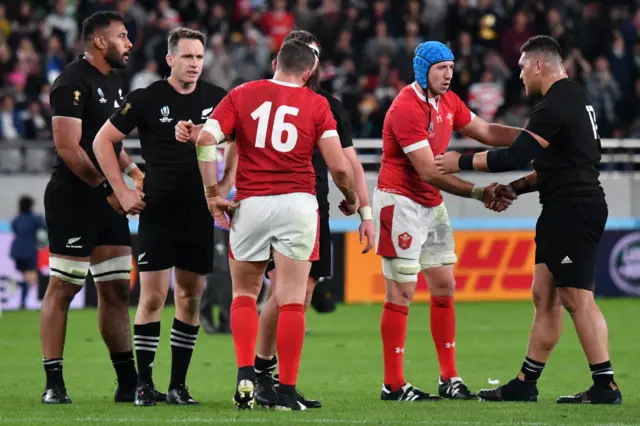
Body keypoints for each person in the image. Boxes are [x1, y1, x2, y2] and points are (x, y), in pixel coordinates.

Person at [436, 35, 622, 405]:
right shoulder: (574, 98)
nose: (519, 75)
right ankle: (525, 382)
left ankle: (606, 386)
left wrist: (462, 161)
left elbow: (516, 155)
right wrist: (516, 189)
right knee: (545, 295)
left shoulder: (555, 103)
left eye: (522, 67)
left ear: (539, 65)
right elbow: (558, 166)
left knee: (576, 298)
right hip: (563, 206)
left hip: (573, 209)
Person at [194, 39, 358, 411]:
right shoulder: (317, 104)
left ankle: (245, 377)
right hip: (299, 204)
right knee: (291, 300)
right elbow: (339, 165)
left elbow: (205, 140)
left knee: (245, 295)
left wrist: (211, 193)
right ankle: (285, 392)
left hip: (250, 204)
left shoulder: (241, 94)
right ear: (309, 71)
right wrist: (349, 197)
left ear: (276, 62)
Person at [372, 40, 521, 402]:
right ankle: (393, 384)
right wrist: (479, 192)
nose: (449, 73)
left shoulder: (448, 102)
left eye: (452, 66)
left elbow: (485, 131)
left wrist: (531, 140)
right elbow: (428, 171)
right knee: (402, 292)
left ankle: (449, 377)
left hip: (430, 205)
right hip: (401, 203)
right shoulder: (406, 107)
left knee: (444, 287)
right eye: (441, 67)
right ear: (423, 69)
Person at [93, 27, 228, 406]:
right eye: (187, 57)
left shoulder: (218, 99)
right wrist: (123, 190)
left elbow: (239, 141)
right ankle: (144, 384)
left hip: (199, 212)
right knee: (152, 297)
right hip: (158, 212)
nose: (194, 64)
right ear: (170, 60)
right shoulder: (147, 98)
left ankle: (178, 386)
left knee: (190, 297)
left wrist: (222, 179)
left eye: (199, 57)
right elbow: (102, 141)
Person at [40, 11, 161, 405]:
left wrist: (133, 172)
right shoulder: (71, 82)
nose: (129, 43)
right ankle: (53, 384)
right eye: (122, 37)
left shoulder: (113, 82)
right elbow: (68, 147)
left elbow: (111, 142)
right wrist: (112, 187)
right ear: (98, 41)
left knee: (113, 291)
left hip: (107, 194)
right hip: (73, 198)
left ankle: (127, 384)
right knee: (63, 288)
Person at [252, 29, 374, 409]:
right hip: (279, 205)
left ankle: (276, 380)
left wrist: (366, 212)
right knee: (284, 295)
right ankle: (262, 377)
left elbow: (349, 162)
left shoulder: (329, 105)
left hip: (314, 207)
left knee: (299, 297)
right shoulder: (263, 98)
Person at [10, 195, 47, 309]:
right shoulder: (35, 218)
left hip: (15, 250)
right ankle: (20, 298)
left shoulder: (16, 219)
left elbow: (15, 229)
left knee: (27, 276)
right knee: (32, 278)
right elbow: (45, 228)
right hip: (29, 250)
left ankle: (17, 291)